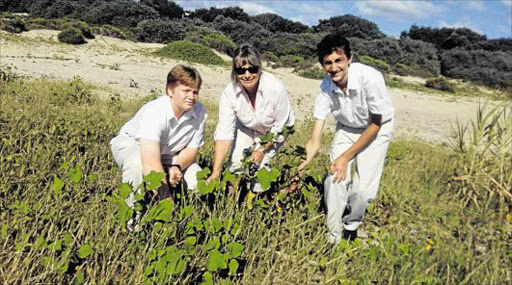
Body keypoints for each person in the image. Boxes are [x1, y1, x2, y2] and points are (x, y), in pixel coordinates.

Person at [298, 33, 394, 244]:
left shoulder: (370, 78)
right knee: (335, 178)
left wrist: (345, 157)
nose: (334, 68)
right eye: (328, 63)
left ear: (349, 58)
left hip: (377, 128)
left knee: (362, 191)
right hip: (347, 128)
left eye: (338, 61)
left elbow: (375, 125)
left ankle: (350, 226)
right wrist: (303, 163)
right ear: (322, 64)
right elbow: (315, 137)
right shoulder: (325, 87)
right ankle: (333, 236)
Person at [110, 64, 206, 209]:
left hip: (168, 153)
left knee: (196, 179)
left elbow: (191, 150)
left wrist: (176, 166)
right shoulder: (154, 111)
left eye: (195, 92)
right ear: (170, 91)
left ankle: (188, 211)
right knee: (137, 164)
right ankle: (132, 216)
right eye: (186, 90)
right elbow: (149, 161)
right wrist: (166, 200)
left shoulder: (200, 112)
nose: (191, 97)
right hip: (134, 144)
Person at [206, 43, 295, 195]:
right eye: (241, 70)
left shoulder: (274, 87)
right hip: (248, 126)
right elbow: (224, 133)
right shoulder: (229, 93)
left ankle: (260, 206)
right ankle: (230, 205)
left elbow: (280, 126)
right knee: (235, 162)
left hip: (275, 129)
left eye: (252, 69)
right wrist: (215, 171)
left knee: (259, 167)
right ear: (235, 72)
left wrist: (261, 149)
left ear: (260, 68)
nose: (247, 75)